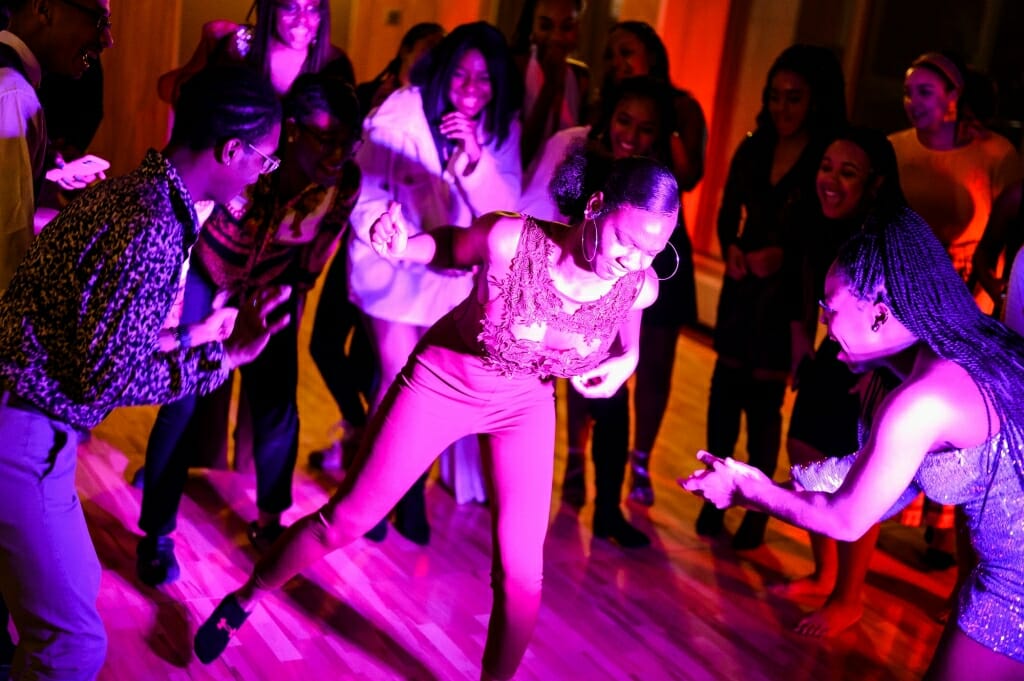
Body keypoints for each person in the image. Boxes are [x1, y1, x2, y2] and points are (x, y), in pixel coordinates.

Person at [192, 154, 679, 679]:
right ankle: (250, 594)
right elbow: (451, 246)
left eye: (652, 250)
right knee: (348, 520)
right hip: (444, 382)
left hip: (525, 405)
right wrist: (405, 246)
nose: (634, 260)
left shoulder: (641, 284)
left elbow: (630, 331)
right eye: (626, 241)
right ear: (596, 205)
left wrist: (626, 360)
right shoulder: (511, 242)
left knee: (522, 575)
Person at [0, 64, 289, 681]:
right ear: (231, 148)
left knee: (73, 586)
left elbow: (102, 336)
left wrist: (194, 338)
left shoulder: (137, 192)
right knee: (72, 649)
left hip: (25, 421)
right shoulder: (155, 225)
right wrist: (225, 357)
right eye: (265, 160)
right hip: (21, 433)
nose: (264, 177)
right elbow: (103, 378)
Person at [683, 205, 1024, 680]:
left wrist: (750, 493)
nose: (824, 323)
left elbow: (847, 519)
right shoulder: (965, 347)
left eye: (830, 308)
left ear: (880, 312)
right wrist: (762, 489)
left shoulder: (922, 399)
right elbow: (873, 485)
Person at [136, 73, 362, 586]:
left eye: (348, 143)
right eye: (326, 140)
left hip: (271, 283)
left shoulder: (344, 184)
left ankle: (270, 519)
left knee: (278, 397)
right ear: (294, 131)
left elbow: (319, 246)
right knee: (183, 397)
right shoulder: (250, 165)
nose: (338, 154)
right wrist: (189, 306)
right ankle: (157, 534)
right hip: (204, 269)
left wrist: (291, 291)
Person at [347, 21, 523, 539]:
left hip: (450, 276)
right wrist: (398, 238)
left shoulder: (499, 128)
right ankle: (373, 497)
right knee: (398, 376)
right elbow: (363, 195)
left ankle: (405, 491)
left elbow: (505, 215)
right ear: (444, 71)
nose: (471, 88)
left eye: (485, 78)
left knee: (424, 390)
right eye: (462, 73)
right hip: (391, 270)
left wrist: (474, 158)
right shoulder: (399, 113)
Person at [520, 75, 680, 546]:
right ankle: (562, 478)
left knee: (612, 402)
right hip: (548, 294)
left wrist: (629, 350)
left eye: (645, 128)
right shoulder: (576, 158)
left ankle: (607, 508)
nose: (630, 134)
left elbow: (632, 276)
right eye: (623, 120)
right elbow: (534, 224)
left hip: (607, 306)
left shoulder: (656, 188)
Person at [699, 44, 846, 549]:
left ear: (815, 101)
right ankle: (712, 494)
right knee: (723, 393)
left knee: (763, 407)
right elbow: (725, 213)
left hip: (785, 298)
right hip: (742, 289)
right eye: (776, 97)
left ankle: (756, 509)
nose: (783, 108)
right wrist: (733, 249)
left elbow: (822, 241)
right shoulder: (753, 146)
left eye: (795, 98)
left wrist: (782, 257)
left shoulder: (822, 160)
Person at [889, 51, 1021, 571]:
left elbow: (1007, 231)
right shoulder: (895, 149)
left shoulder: (994, 152)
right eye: (908, 91)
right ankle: (892, 504)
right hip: (906, 290)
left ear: (952, 99)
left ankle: (947, 537)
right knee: (905, 402)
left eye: (924, 91)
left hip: (968, 296)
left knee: (957, 412)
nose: (912, 102)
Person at [776, 127, 907, 636]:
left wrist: (884, 372)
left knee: (854, 472)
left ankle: (848, 597)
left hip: (881, 359)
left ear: (875, 183)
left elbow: (907, 312)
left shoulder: (890, 237)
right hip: (839, 348)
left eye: (846, 172)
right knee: (805, 447)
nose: (830, 179)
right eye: (827, 166)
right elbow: (801, 281)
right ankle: (824, 570)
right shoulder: (821, 220)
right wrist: (799, 340)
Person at [308, 21, 445, 472]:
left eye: (437, 57)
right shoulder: (370, 96)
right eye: (422, 53)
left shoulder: (439, 116)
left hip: (410, 265)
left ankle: (373, 454)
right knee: (325, 345)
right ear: (403, 53)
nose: (428, 64)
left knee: (382, 365)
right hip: (359, 243)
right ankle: (360, 425)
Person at [594, 20, 708, 508]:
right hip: (606, 240)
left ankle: (641, 460)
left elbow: (690, 175)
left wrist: (667, 125)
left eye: (629, 53)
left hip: (661, 245)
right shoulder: (604, 107)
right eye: (612, 55)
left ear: (653, 57)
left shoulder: (679, 108)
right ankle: (583, 461)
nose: (619, 64)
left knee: (658, 360)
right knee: (597, 348)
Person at [0, 0, 112, 291]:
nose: (108, 40)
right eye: (99, 21)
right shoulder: (13, 95)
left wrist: (43, 176)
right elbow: (6, 254)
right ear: (44, 8)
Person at [157, 0, 353, 103]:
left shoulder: (334, 65)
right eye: (291, 7)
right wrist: (204, 54)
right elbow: (167, 90)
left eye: (311, 8)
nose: (303, 19)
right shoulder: (235, 47)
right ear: (269, 7)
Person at [510, 0, 588, 169]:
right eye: (546, 26)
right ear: (532, 28)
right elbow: (518, 157)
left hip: (559, 191)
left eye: (567, 27)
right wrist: (549, 88)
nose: (556, 37)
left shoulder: (579, 77)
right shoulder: (516, 69)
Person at [354, 21, 444, 119]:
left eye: (442, 51)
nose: (437, 56)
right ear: (405, 51)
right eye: (431, 48)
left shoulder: (436, 104)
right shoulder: (366, 93)